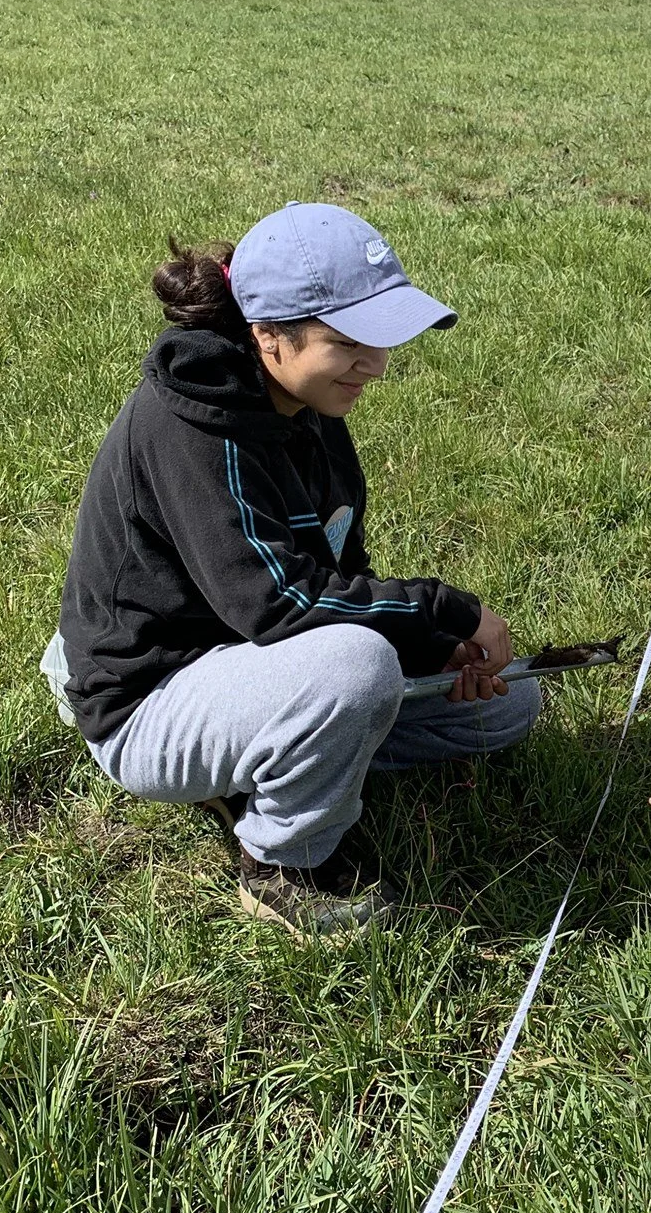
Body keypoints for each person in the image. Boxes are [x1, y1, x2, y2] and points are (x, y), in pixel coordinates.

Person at [47, 203, 540, 937]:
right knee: (357, 666)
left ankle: (266, 760)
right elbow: (277, 606)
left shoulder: (311, 409)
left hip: (250, 669)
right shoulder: (191, 425)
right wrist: (446, 611)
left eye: (381, 338)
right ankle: (281, 863)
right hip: (144, 704)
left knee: (507, 706)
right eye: (349, 342)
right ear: (267, 336)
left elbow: (340, 570)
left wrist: (436, 651)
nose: (375, 364)